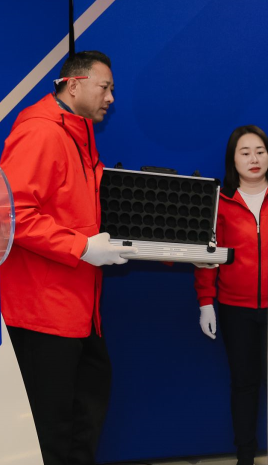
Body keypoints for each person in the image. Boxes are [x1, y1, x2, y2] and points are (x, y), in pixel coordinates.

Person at [0, 50, 136, 465]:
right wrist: (83, 247)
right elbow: (13, 215)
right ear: (73, 85)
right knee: (52, 430)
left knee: (84, 418)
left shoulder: (79, 133)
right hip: (43, 311)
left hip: (79, 309)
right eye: (105, 87)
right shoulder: (40, 132)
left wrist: (174, 248)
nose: (111, 98)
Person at [194, 125, 268, 465]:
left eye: (260, 151)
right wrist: (206, 302)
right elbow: (207, 257)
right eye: (245, 152)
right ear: (233, 160)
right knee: (244, 384)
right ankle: (245, 455)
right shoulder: (220, 202)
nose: (254, 159)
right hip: (234, 308)